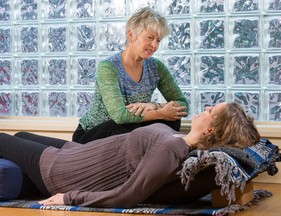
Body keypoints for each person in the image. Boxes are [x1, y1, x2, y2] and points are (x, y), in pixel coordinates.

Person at [0, 102, 260, 208]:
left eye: (211, 110)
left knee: (4, 140)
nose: (205, 108)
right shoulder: (180, 139)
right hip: (77, 153)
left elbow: (131, 194)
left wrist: (70, 197)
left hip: (64, 171)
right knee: (22, 135)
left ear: (210, 129)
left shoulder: (172, 151)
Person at [72, 7, 189, 143]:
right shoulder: (108, 67)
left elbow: (183, 105)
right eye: (150, 38)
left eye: (158, 40)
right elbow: (120, 116)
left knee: (173, 117)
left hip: (129, 130)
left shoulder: (156, 67)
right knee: (129, 125)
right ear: (131, 35)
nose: (154, 45)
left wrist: (154, 106)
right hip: (93, 133)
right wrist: (160, 113)